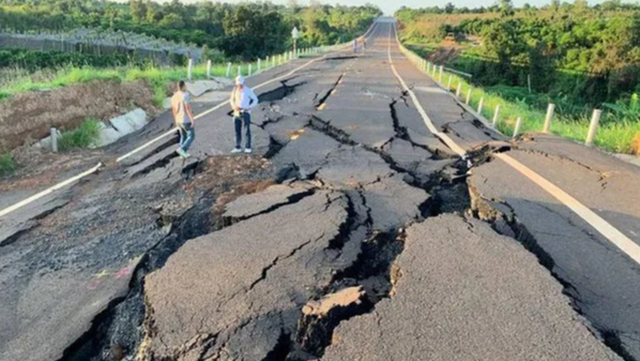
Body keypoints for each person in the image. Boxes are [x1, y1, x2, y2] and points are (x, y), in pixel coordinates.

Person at [230, 75, 258, 153]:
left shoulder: (248, 90)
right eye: (238, 84)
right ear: (236, 83)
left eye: (241, 84)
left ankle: (248, 147)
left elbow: (255, 99)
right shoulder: (234, 90)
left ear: (244, 83)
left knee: (246, 130)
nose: (240, 85)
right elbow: (231, 99)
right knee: (237, 130)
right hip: (236, 112)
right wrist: (233, 106)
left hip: (245, 112)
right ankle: (237, 147)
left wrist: (249, 107)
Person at [171, 80, 195, 158]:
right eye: (185, 85)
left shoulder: (174, 97)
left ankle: (182, 153)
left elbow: (173, 109)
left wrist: (176, 121)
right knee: (191, 136)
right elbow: (187, 108)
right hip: (185, 119)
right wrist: (192, 119)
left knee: (183, 136)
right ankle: (182, 149)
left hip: (178, 119)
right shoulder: (185, 95)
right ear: (183, 86)